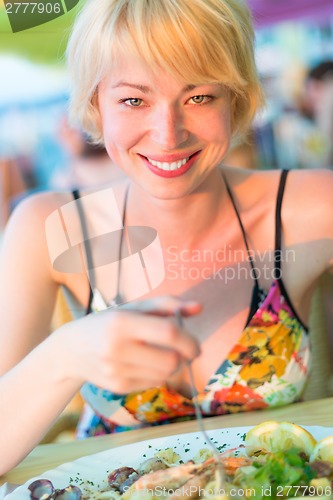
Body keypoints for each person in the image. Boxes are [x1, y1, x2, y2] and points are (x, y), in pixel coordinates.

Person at [0, 0, 333, 475]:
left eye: (199, 97)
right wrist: (66, 354)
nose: (168, 134)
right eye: (134, 100)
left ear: (235, 98)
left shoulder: (311, 206)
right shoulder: (49, 225)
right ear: (96, 103)